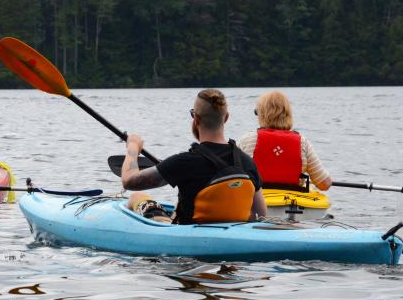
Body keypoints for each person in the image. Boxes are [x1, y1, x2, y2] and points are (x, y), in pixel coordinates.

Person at [121, 88, 266, 224]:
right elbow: (260, 213)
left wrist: (133, 147)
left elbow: (128, 181)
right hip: (233, 235)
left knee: (137, 197)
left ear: (196, 119)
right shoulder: (247, 162)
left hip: (188, 235)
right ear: (226, 118)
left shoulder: (183, 162)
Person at [236, 90, 332, 191]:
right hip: (291, 203)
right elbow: (325, 184)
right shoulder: (302, 143)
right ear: (288, 113)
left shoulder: (247, 140)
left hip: (257, 202)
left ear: (262, 114)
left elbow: (232, 178)